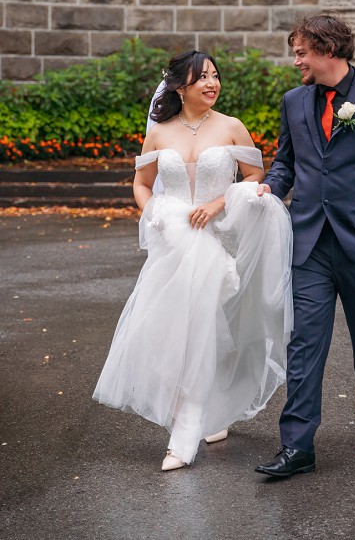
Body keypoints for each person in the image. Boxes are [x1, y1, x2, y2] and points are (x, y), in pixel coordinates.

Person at [93, 50, 293, 471]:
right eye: (201, 77)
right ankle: (194, 425)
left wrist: (221, 202)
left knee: (214, 330)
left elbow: (257, 177)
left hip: (221, 239)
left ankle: (192, 430)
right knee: (182, 333)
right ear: (179, 86)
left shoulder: (232, 126)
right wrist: (157, 216)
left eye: (216, 76)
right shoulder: (160, 133)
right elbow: (142, 184)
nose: (211, 83)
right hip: (176, 246)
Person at [255, 14, 355, 478]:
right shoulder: (293, 102)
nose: (296, 60)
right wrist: (269, 188)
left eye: (302, 52)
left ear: (328, 50)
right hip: (309, 244)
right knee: (305, 342)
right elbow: (286, 161)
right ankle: (298, 445)